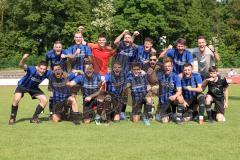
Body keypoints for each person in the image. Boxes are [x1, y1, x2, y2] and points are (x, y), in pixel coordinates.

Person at [9, 54, 52, 124]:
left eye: (44, 69)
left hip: (34, 88)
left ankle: (34, 118)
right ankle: (12, 117)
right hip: (23, 85)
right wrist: (23, 59)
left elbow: (57, 75)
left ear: (46, 69)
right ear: (38, 67)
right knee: (16, 99)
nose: (42, 71)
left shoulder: (47, 73)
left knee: (44, 100)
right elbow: (21, 65)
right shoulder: (32, 69)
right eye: (41, 68)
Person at [156, 57, 183, 124]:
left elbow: (179, 91)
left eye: (169, 66)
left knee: (180, 98)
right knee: (164, 122)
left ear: (172, 67)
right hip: (164, 102)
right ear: (163, 67)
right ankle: (170, 114)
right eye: (165, 66)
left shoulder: (175, 77)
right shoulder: (160, 76)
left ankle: (178, 118)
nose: (167, 68)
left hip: (172, 99)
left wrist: (174, 96)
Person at [142, 53, 163, 120]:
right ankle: (150, 112)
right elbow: (143, 78)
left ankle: (159, 112)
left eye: (154, 59)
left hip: (158, 86)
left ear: (156, 60)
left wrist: (158, 85)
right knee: (148, 98)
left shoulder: (161, 66)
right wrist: (147, 85)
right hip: (148, 85)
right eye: (150, 60)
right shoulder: (145, 66)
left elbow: (163, 78)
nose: (152, 61)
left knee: (163, 95)